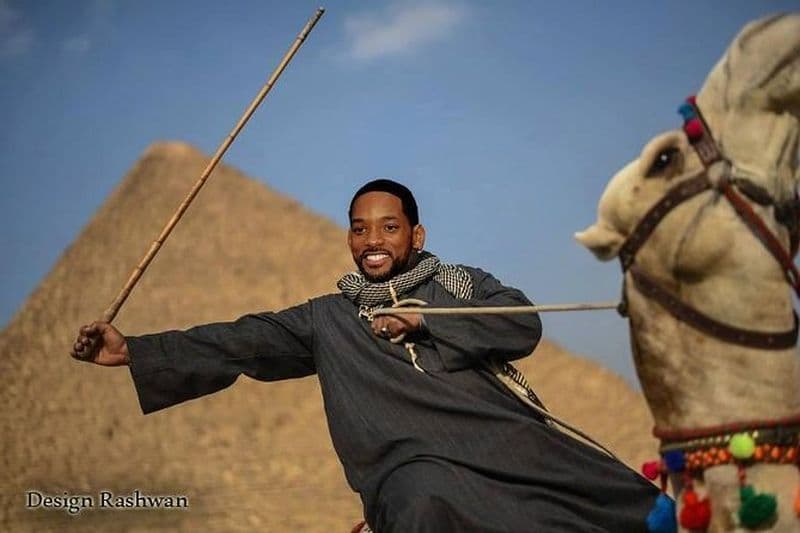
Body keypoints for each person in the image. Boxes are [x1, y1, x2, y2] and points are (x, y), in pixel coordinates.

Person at [71, 179, 660, 532]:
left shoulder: (460, 285)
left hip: (516, 451)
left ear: (416, 235)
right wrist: (134, 351)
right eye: (359, 229)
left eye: (387, 227)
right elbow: (241, 339)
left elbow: (521, 324)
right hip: (413, 471)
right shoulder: (327, 318)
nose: (372, 241)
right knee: (425, 506)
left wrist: (428, 319)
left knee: (641, 505)